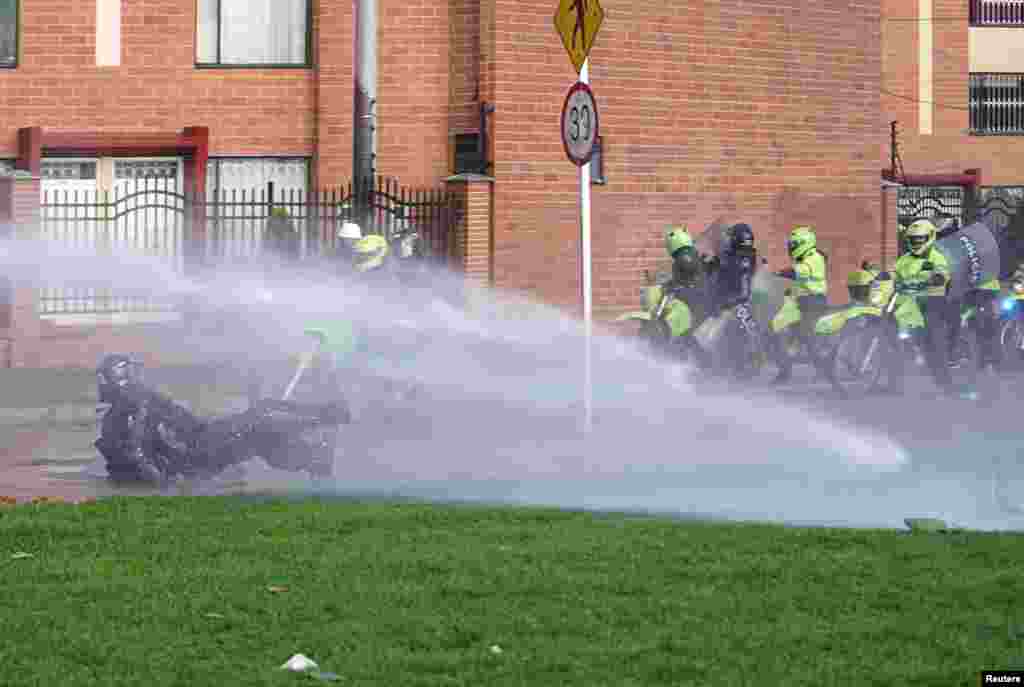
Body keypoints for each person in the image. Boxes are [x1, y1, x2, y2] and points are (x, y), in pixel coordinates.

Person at [891, 218, 955, 395]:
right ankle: (893, 378)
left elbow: (942, 273)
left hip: (931, 303)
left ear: (930, 238)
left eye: (919, 239)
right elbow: (893, 275)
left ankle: (945, 383)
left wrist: (936, 278)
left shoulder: (936, 257)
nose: (915, 243)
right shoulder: (903, 259)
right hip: (907, 302)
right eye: (912, 240)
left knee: (934, 341)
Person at [769, 225, 828, 383]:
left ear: (805, 244)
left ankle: (823, 369)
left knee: (806, 335)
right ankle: (785, 370)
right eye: (791, 246)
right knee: (777, 328)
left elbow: (801, 271)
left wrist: (780, 273)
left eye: (793, 246)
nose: (791, 249)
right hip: (800, 302)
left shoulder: (815, 257)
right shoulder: (804, 258)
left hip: (814, 302)